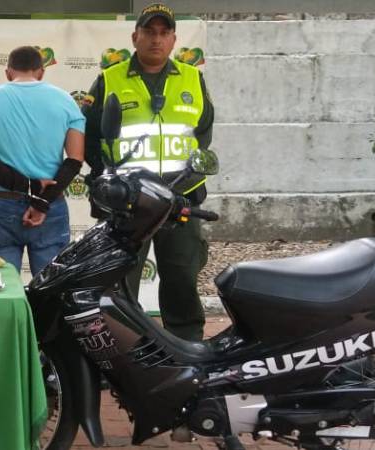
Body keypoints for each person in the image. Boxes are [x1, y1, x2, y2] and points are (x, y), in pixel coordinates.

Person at [81, 3, 215, 341]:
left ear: (173, 40)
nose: (156, 39)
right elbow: (91, 136)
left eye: (163, 33)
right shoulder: (109, 79)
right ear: (134, 37)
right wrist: (108, 182)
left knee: (182, 275)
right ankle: (123, 350)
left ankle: (188, 347)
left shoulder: (192, 78)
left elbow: (203, 132)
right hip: (129, 202)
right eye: (149, 32)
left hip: (178, 198)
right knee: (121, 280)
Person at [0, 46, 85, 275]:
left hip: (3, 205)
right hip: (51, 205)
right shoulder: (66, 102)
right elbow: (74, 160)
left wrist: (28, 187)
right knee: (50, 291)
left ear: (8, 72)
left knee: (0, 290)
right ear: (41, 72)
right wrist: (41, 202)